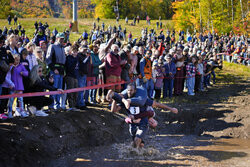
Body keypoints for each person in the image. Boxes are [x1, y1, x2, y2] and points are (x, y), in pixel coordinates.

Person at [106, 83, 178, 148]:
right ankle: (139, 154)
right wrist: (115, 99)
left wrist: (171, 109)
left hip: (143, 123)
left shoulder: (142, 99)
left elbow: (157, 104)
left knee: (137, 139)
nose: (129, 92)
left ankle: (136, 157)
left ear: (135, 91)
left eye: (131, 90)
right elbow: (114, 110)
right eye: (128, 90)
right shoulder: (125, 98)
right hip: (133, 124)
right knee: (138, 144)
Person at [46, 33, 66, 110]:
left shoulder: (62, 48)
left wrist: (63, 71)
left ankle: (57, 106)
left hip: (61, 71)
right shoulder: (52, 46)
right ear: (57, 38)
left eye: (63, 39)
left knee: (59, 89)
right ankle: (51, 106)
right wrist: (54, 69)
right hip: (54, 71)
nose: (62, 40)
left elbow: (63, 61)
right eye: (61, 38)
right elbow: (48, 59)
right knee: (54, 89)